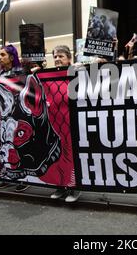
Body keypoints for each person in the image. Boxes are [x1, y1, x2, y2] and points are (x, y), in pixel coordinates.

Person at [0, 44, 29, 193]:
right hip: (4, 115)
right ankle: (7, 176)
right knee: (4, 145)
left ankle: (23, 178)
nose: (0, 58)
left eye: (3, 55)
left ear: (12, 57)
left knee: (18, 146)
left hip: (17, 114)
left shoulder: (19, 71)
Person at [49, 45, 81, 203]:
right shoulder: (49, 75)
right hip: (55, 123)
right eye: (55, 56)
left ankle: (74, 187)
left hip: (71, 121)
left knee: (72, 156)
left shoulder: (76, 73)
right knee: (58, 155)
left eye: (61, 56)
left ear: (69, 58)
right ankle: (60, 185)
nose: (57, 59)